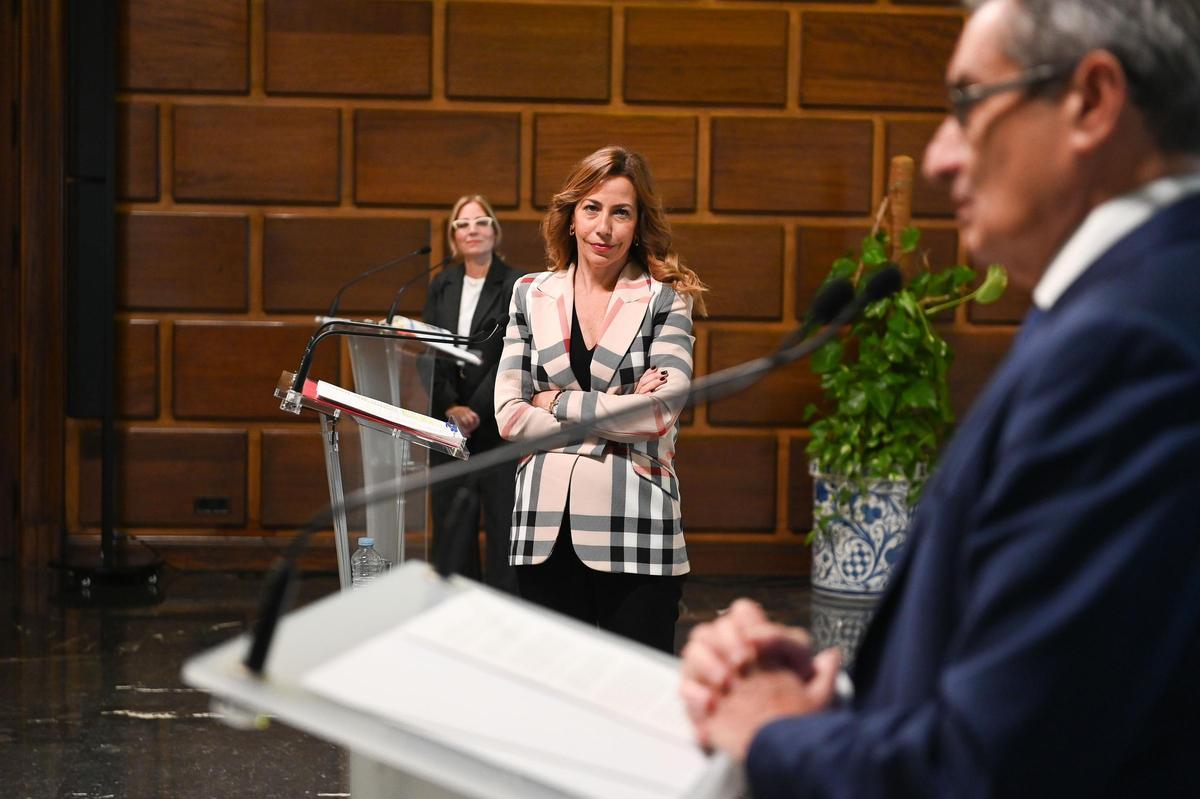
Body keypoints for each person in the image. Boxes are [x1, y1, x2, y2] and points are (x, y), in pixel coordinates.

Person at [680, 0, 1200, 795]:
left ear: (1091, 102)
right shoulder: (1137, 301)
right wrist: (835, 694)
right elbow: (1062, 684)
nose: (938, 156)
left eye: (966, 104)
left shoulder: (1131, 343)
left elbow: (991, 770)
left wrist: (776, 730)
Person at [493, 145, 707, 653]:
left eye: (620, 212)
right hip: (542, 529)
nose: (603, 228)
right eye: (591, 208)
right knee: (553, 707)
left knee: (633, 708)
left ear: (637, 224)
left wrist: (554, 403)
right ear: (570, 217)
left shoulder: (664, 299)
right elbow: (506, 415)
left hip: (637, 527)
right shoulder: (529, 292)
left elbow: (657, 412)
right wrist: (620, 403)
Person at [423, 194, 522, 593]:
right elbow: (429, 352)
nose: (472, 230)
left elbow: (513, 353)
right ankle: (455, 609)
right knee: (453, 528)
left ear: (495, 233)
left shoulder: (516, 284)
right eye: (462, 224)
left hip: (498, 424)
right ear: (453, 238)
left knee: (503, 527)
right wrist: (451, 405)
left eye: (481, 221)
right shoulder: (441, 284)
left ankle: (506, 616)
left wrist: (475, 409)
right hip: (448, 428)